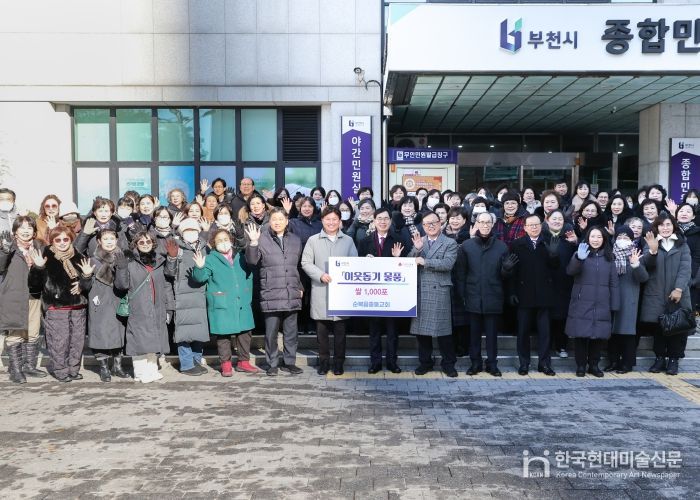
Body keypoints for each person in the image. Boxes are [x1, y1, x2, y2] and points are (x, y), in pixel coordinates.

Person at [28, 225, 93, 382]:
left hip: (78, 306)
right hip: (56, 306)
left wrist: (84, 280)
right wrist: (38, 267)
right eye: (58, 240)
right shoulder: (45, 256)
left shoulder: (78, 255)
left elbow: (87, 285)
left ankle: (73, 369)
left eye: (66, 239)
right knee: (59, 341)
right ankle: (61, 370)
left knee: (77, 341)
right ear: (52, 241)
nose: (62, 242)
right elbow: (33, 285)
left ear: (71, 240)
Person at [245, 208, 304, 376]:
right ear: (269, 221)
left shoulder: (295, 240)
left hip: (291, 291)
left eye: (280, 219)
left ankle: (289, 362)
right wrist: (253, 242)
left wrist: (300, 286)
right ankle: (272, 363)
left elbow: (297, 267)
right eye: (274, 219)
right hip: (271, 291)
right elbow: (251, 261)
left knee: (291, 332)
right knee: (271, 332)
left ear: (287, 221)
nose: (277, 222)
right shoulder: (261, 238)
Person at [456, 211, 516, 377]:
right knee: (474, 334)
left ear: (493, 224)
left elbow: (505, 277)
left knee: (492, 335)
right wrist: (462, 294)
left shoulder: (502, 247)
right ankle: (475, 363)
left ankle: (492, 364)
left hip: (493, 295)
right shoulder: (467, 246)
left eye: (488, 222)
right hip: (472, 295)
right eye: (481, 222)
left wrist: (506, 270)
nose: (485, 225)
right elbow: (461, 273)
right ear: (476, 224)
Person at [301, 206, 358, 376]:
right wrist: (320, 275)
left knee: (340, 333)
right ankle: (324, 362)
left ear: (340, 221)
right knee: (322, 333)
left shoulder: (348, 240)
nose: (331, 222)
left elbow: (354, 262)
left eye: (334, 219)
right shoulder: (313, 240)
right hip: (321, 291)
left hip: (341, 293)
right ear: (322, 221)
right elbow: (306, 262)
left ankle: (339, 363)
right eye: (328, 219)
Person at [192, 229, 257, 377]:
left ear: (231, 240)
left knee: (245, 332)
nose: (223, 243)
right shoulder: (210, 259)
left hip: (241, 300)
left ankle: (243, 362)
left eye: (225, 239)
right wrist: (199, 267)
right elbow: (200, 278)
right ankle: (226, 365)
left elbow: (252, 267)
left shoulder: (241, 255)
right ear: (214, 244)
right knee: (223, 335)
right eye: (219, 240)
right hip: (222, 301)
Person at [114, 231, 174, 383]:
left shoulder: (160, 261)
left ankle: (152, 370)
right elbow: (122, 285)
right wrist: (121, 269)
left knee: (155, 339)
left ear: (153, 243)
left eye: (148, 242)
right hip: (139, 308)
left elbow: (167, 284)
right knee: (139, 341)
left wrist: (169, 307)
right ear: (136, 244)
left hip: (157, 307)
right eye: (141, 242)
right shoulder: (130, 262)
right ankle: (140, 373)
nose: (145, 244)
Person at [641, 216, 694, 375]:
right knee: (659, 329)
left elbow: (685, 268)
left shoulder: (682, 244)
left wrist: (679, 288)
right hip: (656, 294)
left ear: (673, 226)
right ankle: (659, 359)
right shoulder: (651, 242)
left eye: (668, 224)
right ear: (656, 227)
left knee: (678, 328)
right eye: (661, 225)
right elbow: (646, 265)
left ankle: (673, 360)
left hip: (678, 294)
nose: (665, 228)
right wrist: (652, 251)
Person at [408, 211, 459, 378]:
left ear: (440, 223)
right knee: (421, 332)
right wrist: (417, 250)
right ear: (423, 226)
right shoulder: (420, 241)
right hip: (421, 290)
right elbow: (409, 262)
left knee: (443, 331)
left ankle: (448, 364)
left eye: (434, 222)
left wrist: (425, 261)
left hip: (439, 291)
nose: (431, 226)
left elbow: (448, 264)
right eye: (427, 223)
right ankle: (425, 363)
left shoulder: (450, 242)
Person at [357, 207, 408, 374]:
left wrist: (398, 259)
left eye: (386, 218)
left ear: (390, 221)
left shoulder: (399, 240)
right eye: (379, 218)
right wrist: (364, 261)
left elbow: (406, 268)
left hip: (392, 294)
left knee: (393, 331)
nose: (383, 221)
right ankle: (375, 362)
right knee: (374, 331)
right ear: (374, 221)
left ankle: (392, 362)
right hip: (373, 294)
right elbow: (358, 267)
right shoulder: (364, 241)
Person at [565, 227, 620, 377]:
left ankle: (594, 365)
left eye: (599, 237)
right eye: (593, 236)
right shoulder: (580, 253)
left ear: (604, 239)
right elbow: (570, 271)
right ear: (588, 238)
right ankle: (581, 365)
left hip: (602, 303)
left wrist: (614, 304)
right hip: (582, 302)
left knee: (598, 336)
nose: (596, 240)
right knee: (581, 336)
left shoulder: (609, 258)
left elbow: (614, 283)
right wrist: (579, 259)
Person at [510, 214, 559, 376]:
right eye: (530, 225)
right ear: (524, 227)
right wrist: (512, 292)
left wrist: (554, 255)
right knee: (523, 331)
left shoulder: (548, 242)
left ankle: (544, 364)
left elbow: (556, 269)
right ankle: (524, 363)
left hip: (545, 294)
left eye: (536, 224)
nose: (534, 227)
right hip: (524, 294)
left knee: (545, 332)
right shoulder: (517, 244)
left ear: (541, 225)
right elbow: (512, 271)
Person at [0, 217, 47, 383]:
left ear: (34, 232)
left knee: (33, 332)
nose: (26, 231)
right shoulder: (8, 247)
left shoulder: (39, 248)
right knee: (16, 332)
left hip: (34, 295)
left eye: (29, 228)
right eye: (22, 228)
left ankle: (29, 366)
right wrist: (5, 251)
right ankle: (16, 370)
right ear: (15, 232)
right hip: (13, 296)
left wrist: (40, 266)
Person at [167, 218, 211, 376]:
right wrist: (172, 258)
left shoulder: (205, 247)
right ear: (182, 233)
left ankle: (196, 360)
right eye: (187, 231)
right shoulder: (177, 248)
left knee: (199, 330)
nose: (191, 233)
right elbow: (169, 273)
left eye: (193, 230)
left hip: (201, 295)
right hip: (183, 295)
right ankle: (186, 364)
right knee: (184, 331)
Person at [86, 229, 130, 382]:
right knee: (100, 334)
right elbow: (85, 285)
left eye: (112, 238)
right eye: (105, 239)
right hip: (99, 300)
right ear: (99, 241)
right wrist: (85, 276)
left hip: (118, 299)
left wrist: (122, 267)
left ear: (117, 240)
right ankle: (104, 368)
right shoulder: (92, 260)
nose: (109, 241)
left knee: (118, 332)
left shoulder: (123, 258)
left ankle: (118, 366)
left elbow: (123, 284)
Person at [607, 226, 648, 374]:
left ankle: (627, 363)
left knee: (627, 332)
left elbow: (644, 278)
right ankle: (613, 361)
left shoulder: (636, 254)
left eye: (626, 238)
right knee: (612, 332)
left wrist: (636, 265)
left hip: (629, 299)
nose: (622, 240)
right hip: (611, 297)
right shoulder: (610, 254)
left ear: (631, 240)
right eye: (620, 237)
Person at [544, 209, 577, 359]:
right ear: (547, 220)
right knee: (545, 317)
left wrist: (575, 243)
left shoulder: (569, 240)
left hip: (564, 284)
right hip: (545, 283)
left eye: (560, 219)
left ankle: (561, 345)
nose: (557, 221)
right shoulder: (541, 237)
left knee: (561, 316)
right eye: (554, 218)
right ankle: (545, 346)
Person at [289, 196, 322, 335]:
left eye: (310, 206)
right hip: (299, 265)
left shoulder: (320, 224)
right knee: (301, 294)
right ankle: (301, 324)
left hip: (317, 265)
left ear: (314, 208)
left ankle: (313, 324)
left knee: (314, 295)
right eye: (304, 206)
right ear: (299, 208)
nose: (307, 209)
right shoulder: (293, 223)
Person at [675, 203, 700, 317]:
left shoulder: (698, 232)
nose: (684, 213)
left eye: (688, 211)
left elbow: (697, 256)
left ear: (693, 216)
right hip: (672, 273)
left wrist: (691, 277)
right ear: (676, 214)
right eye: (681, 211)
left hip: (691, 275)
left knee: (688, 309)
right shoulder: (670, 229)